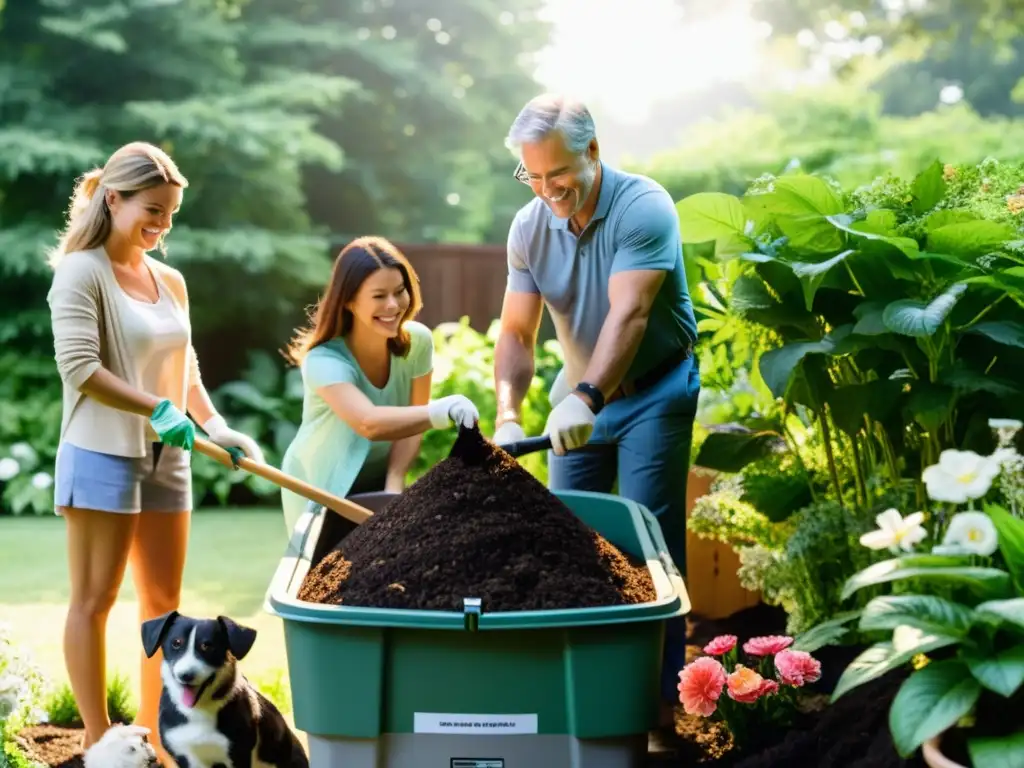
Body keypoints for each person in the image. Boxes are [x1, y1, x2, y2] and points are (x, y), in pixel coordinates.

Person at [491, 94, 700, 743]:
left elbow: (630, 315)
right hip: (576, 397)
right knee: (569, 545)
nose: (548, 190)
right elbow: (518, 333)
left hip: (653, 391)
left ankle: (660, 711)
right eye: (533, 176)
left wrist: (587, 397)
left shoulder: (644, 207)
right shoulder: (528, 227)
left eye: (558, 174)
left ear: (593, 152)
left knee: (647, 545)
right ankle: (577, 702)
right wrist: (507, 411)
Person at [46, 142, 264, 758]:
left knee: (163, 608)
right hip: (101, 453)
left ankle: (158, 740)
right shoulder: (80, 271)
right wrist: (156, 409)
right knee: (94, 601)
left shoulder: (168, 279)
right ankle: (98, 742)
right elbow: (79, 368)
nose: (162, 226)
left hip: (169, 458)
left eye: (170, 214)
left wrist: (214, 423)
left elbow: (184, 365)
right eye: (152, 209)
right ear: (112, 198)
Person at [280, 236, 480, 534]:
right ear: (348, 300)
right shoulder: (324, 361)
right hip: (321, 486)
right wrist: (441, 409)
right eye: (379, 296)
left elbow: (412, 424)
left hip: (377, 479)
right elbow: (369, 422)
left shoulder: (418, 343)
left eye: (400, 292)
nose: (393, 305)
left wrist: (394, 484)